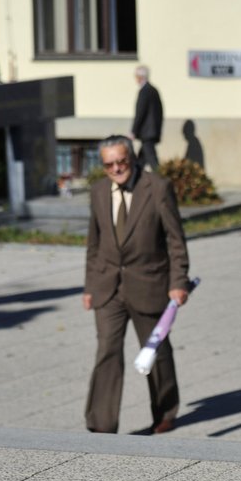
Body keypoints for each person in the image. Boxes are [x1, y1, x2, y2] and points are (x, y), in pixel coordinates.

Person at [83, 135, 189, 434]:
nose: (116, 169)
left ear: (131, 158)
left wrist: (178, 281)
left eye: (121, 161)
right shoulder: (98, 191)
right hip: (108, 286)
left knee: (156, 351)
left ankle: (166, 410)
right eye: (109, 164)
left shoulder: (156, 188)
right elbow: (94, 242)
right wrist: (90, 286)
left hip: (149, 283)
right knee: (106, 350)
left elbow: (175, 240)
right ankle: (101, 424)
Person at [131, 65, 163, 171]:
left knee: (152, 161)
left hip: (147, 132)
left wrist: (134, 131)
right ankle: (134, 182)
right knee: (140, 161)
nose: (135, 79)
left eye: (136, 77)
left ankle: (162, 181)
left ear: (140, 77)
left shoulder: (144, 91)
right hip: (152, 131)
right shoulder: (154, 90)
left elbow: (140, 112)